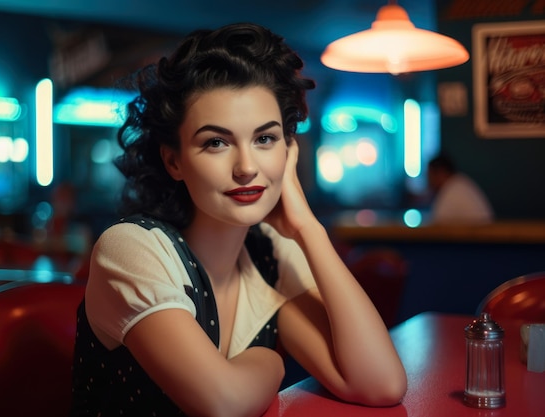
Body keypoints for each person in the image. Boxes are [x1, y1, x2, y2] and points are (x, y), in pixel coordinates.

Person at [70, 22, 407, 417]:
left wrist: (308, 228)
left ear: (289, 149)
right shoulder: (132, 248)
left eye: (265, 139)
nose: (247, 167)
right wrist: (271, 361)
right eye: (216, 142)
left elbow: (381, 384)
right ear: (174, 160)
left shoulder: (270, 253)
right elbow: (223, 403)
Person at [427, 154, 494, 224]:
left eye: (429, 175)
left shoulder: (452, 190)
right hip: (482, 232)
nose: (429, 181)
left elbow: (436, 225)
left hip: (480, 234)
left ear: (441, 173)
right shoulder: (459, 183)